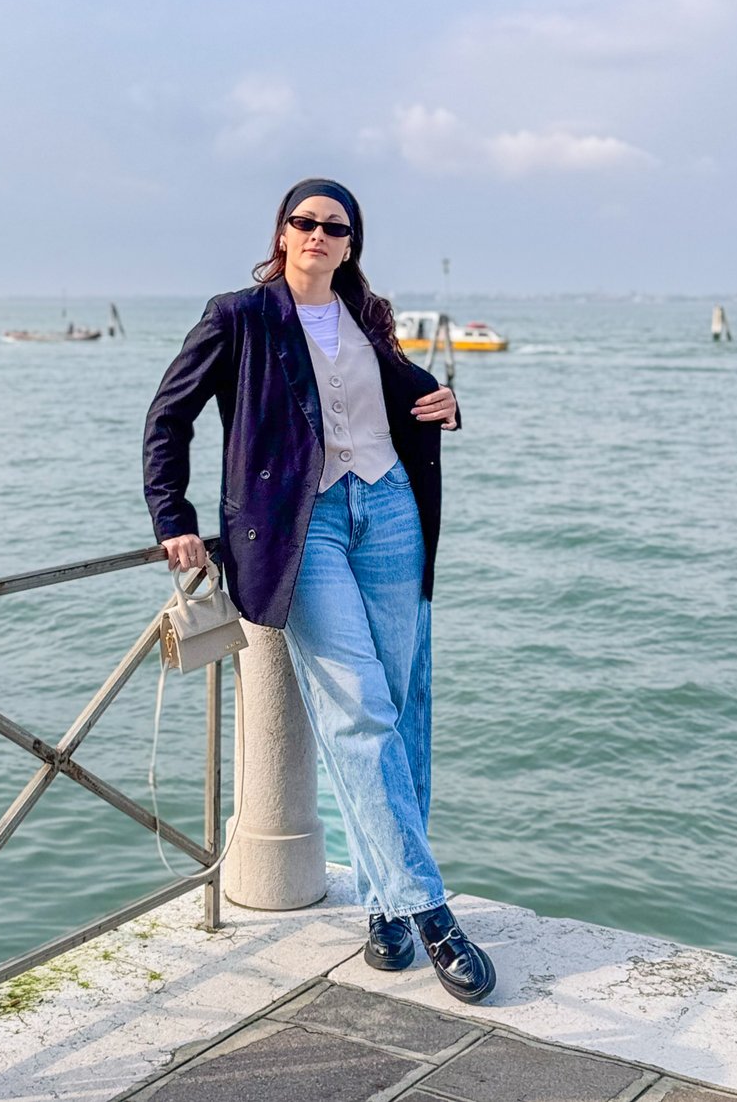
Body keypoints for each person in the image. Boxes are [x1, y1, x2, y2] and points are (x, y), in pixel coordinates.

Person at [143, 177, 496, 1003]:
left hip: (391, 507)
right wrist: (174, 514)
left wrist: (446, 402)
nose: (317, 234)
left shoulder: (369, 316)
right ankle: (430, 909)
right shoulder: (239, 314)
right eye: (304, 222)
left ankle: (383, 904)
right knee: (358, 710)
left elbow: (400, 395)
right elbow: (169, 414)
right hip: (305, 530)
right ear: (282, 232)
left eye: (334, 227)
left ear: (350, 243)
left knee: (404, 705)